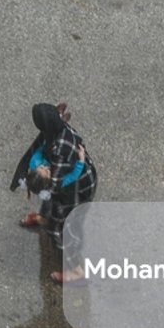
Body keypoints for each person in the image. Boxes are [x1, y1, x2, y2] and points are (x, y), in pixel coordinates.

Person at [10, 102, 97, 284]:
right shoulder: (57, 130)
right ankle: (45, 219)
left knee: (66, 228)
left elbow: (54, 185)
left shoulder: (62, 151)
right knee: (51, 206)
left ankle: (77, 270)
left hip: (76, 189)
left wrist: (35, 183)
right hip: (66, 184)